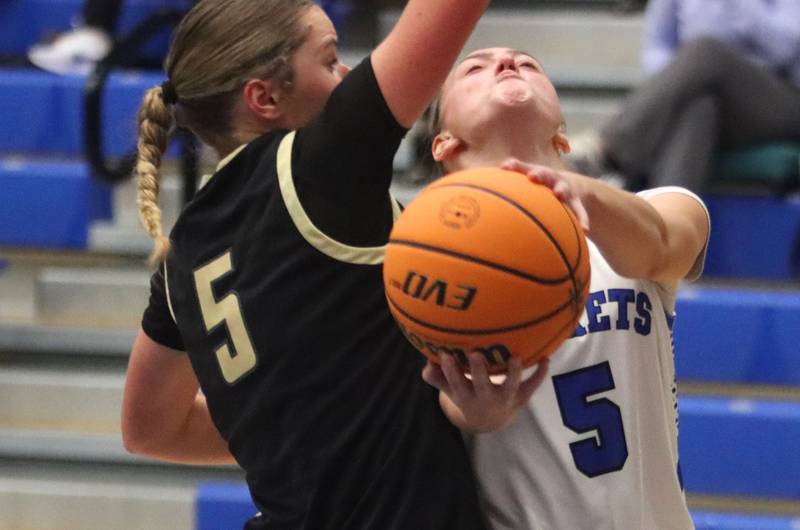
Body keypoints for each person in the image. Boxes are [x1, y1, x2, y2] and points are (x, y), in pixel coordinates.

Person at [119, 0, 514, 528]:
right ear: (265, 97)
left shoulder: (183, 252)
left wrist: (303, 432)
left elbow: (149, 430)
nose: (348, 73)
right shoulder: (317, 167)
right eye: (329, 61)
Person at [422, 47, 711, 529]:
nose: (508, 63)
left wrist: (567, 191)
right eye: (474, 67)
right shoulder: (426, 263)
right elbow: (450, 398)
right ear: (443, 142)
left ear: (561, 132)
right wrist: (480, 411)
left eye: (529, 63)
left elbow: (664, 244)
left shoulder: (651, 208)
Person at [567, 0, 800, 193]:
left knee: (707, 52)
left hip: (780, 98)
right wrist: (680, 80)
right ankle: (667, 228)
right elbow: (656, 48)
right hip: (705, 92)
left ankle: (606, 149)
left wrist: (740, 6)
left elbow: (786, 46)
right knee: (699, 106)